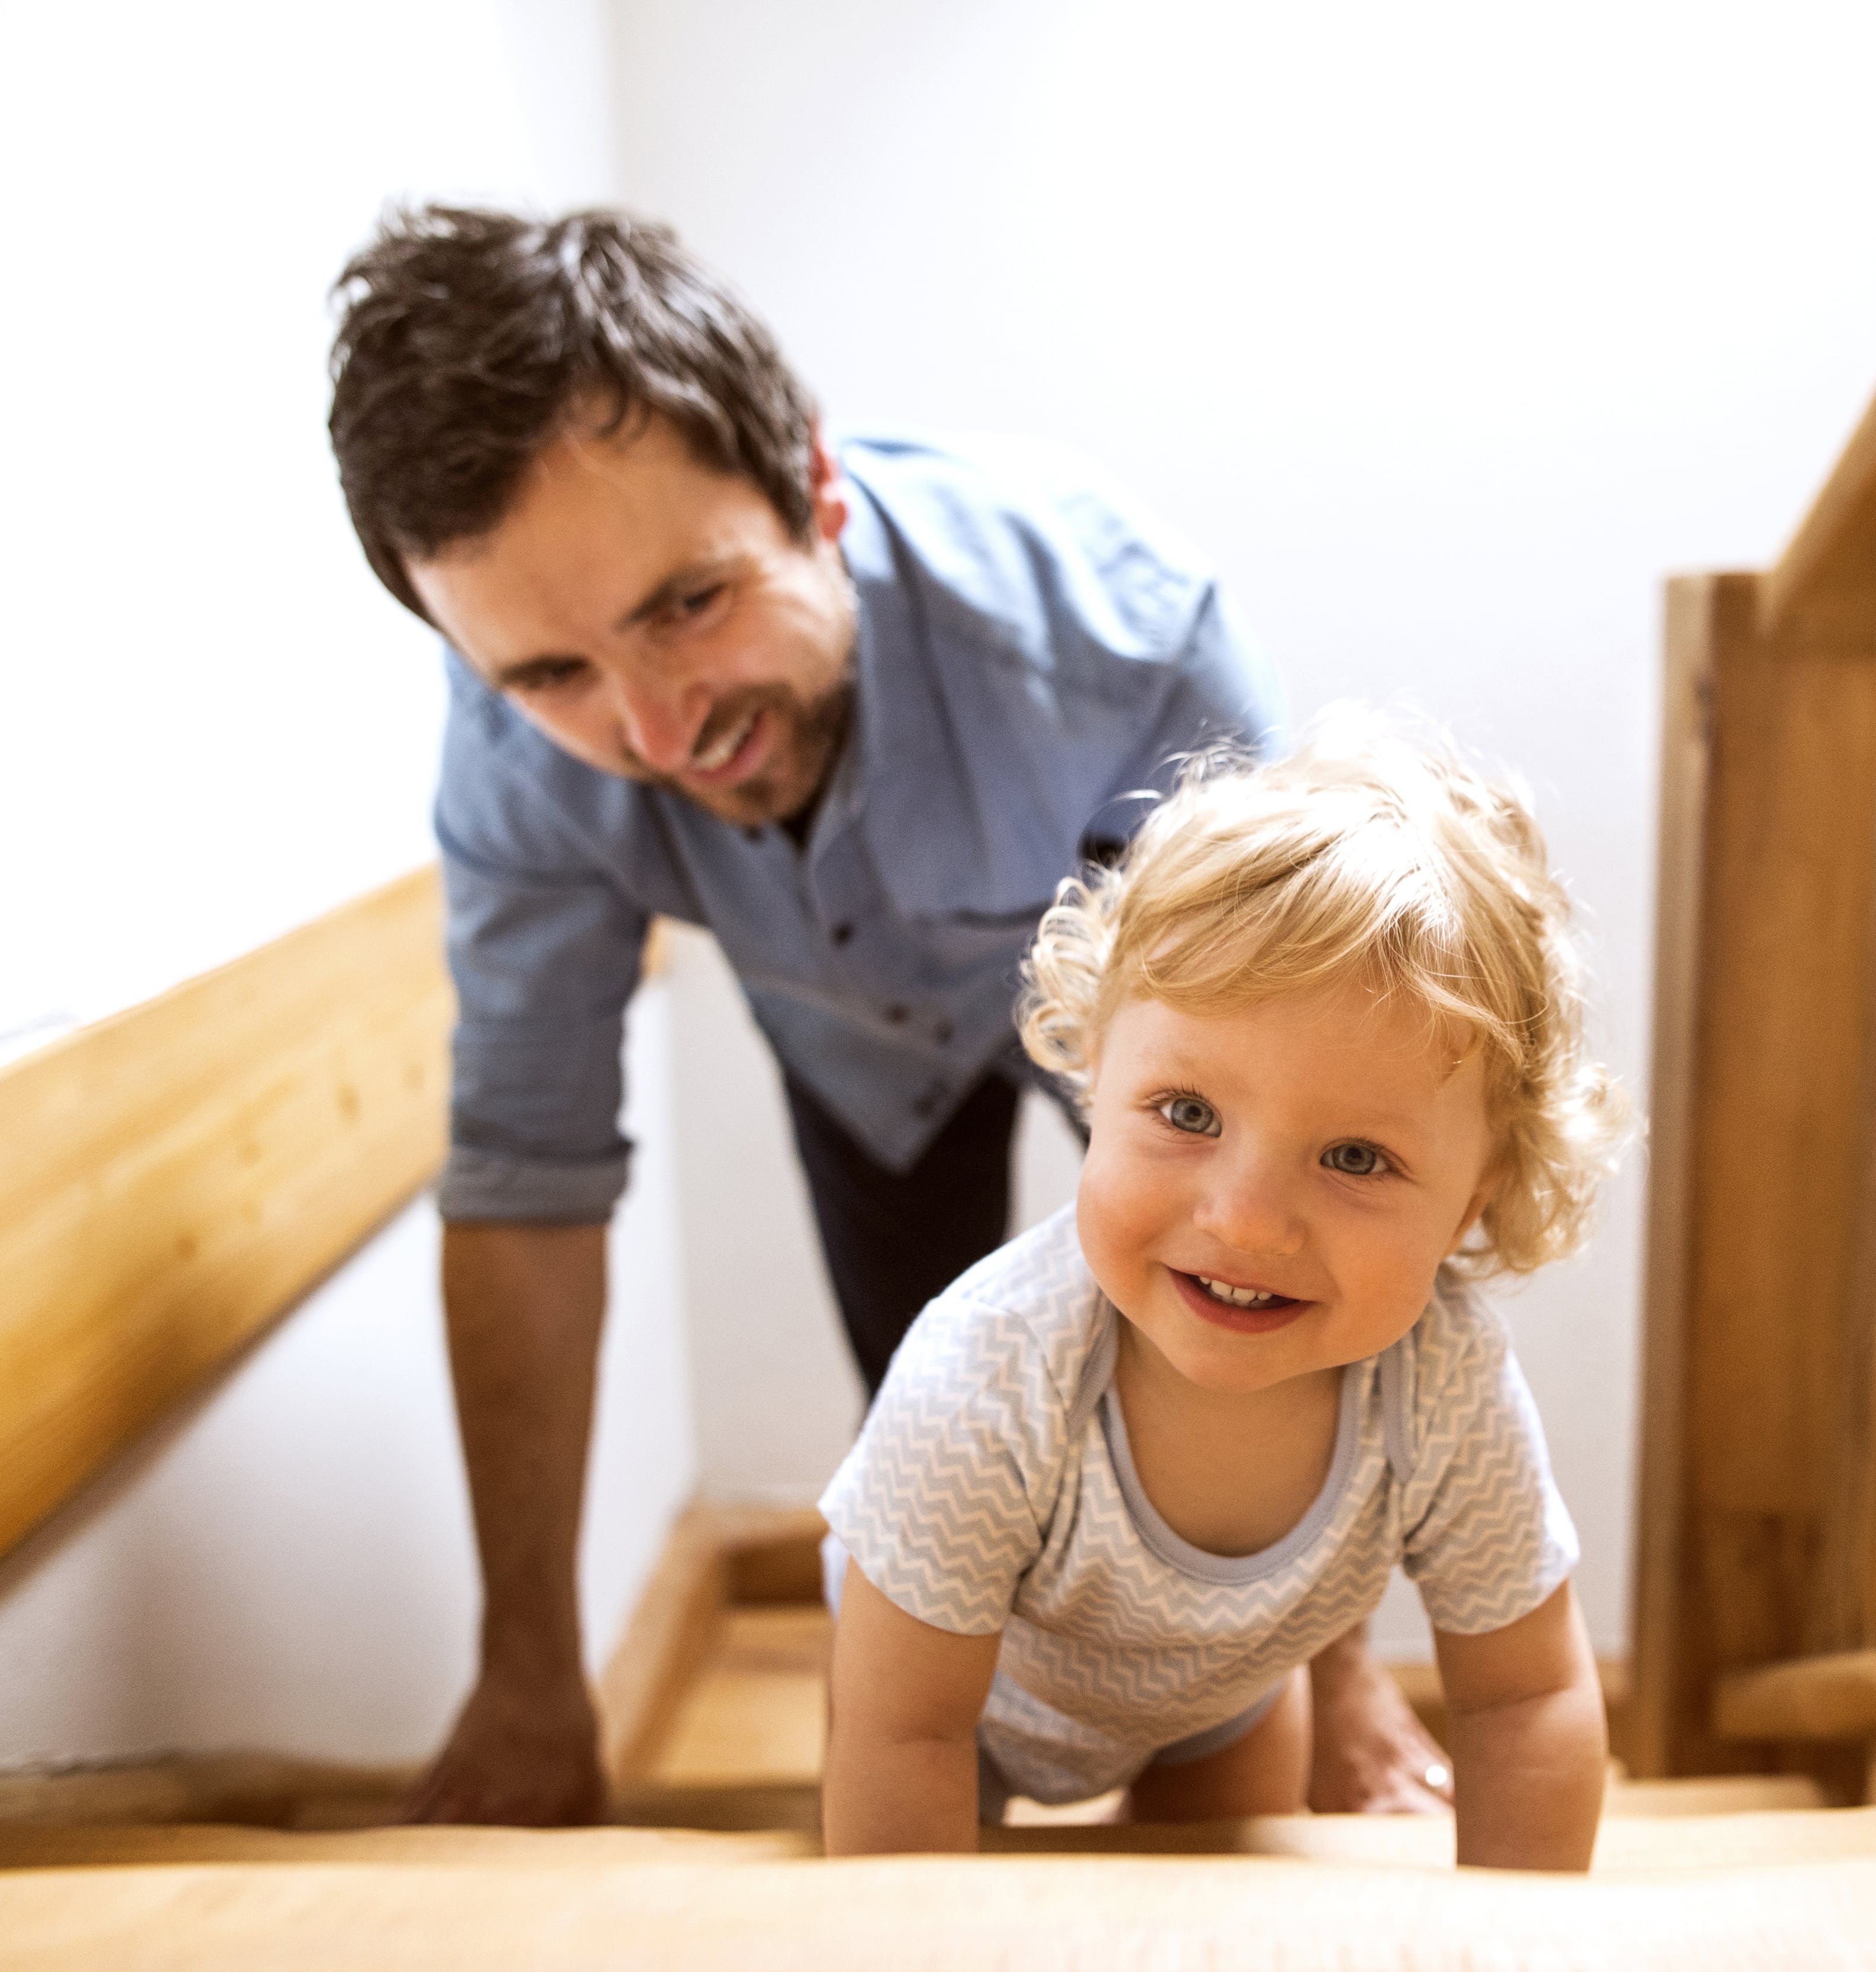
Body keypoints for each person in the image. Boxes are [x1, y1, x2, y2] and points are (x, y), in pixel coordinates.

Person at [324, 205, 1456, 1825]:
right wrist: (525, 1680)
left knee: (1231, 1294)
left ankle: (1287, 1701)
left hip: (1162, 1013)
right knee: (942, 1444)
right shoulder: (514, 758)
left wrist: (1346, 1676)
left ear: (815, 486)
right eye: (553, 673)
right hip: (859, 1057)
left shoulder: (1123, 641)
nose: (655, 727)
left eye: (688, 604)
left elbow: (1307, 1159)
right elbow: (525, 1181)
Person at [819, 716, 1624, 1868]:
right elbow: (902, 1735)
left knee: (1223, 1909)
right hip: (949, 1693)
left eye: (1355, 1157)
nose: (1245, 1220)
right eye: (1188, 1113)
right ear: (1093, 1070)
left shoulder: (1444, 1385)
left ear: (1474, 1197)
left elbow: (1522, 1701)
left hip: (1221, 1699)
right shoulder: (988, 1371)